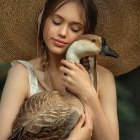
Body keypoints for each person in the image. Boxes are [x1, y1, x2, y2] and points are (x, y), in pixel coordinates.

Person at [0, 0, 120, 140]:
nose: (63, 33)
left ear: (86, 34)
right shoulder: (21, 73)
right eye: (56, 22)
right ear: (43, 20)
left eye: (75, 28)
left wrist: (88, 94)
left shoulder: (104, 78)